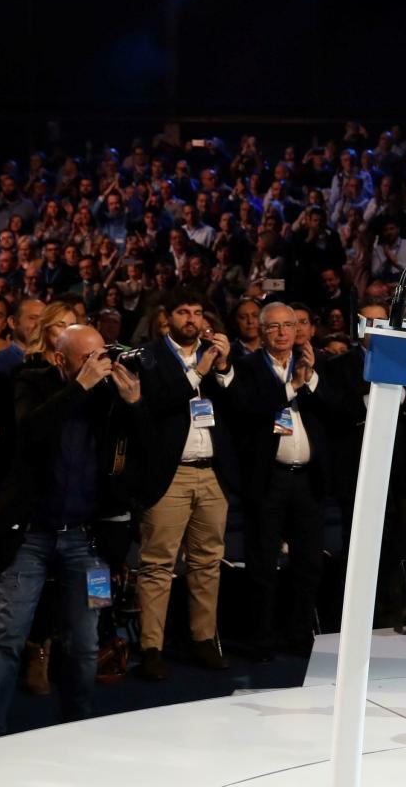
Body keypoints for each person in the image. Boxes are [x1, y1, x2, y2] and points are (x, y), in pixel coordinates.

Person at [0, 324, 140, 738]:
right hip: (27, 535)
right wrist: (78, 388)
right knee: (8, 638)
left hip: (87, 539)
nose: (99, 365)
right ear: (60, 359)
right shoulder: (33, 382)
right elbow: (31, 431)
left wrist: (133, 404)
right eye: (88, 358)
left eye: (102, 354)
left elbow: (136, 451)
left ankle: (75, 729)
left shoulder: (109, 392)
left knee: (83, 642)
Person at [130, 288, 238, 679]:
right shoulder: (150, 356)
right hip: (169, 473)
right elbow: (156, 404)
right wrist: (199, 371)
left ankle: (203, 640)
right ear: (168, 317)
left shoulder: (216, 355)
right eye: (183, 312)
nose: (191, 319)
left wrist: (223, 369)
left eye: (197, 312)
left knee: (208, 562)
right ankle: (152, 647)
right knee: (158, 564)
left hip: (212, 472)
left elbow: (239, 409)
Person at [234, 302, 339, 659]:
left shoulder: (316, 365)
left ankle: (299, 635)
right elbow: (247, 412)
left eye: (289, 326)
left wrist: (308, 380)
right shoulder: (247, 367)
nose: (282, 333)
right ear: (263, 333)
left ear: (300, 330)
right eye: (274, 327)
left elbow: (337, 412)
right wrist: (290, 388)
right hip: (269, 480)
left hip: (308, 480)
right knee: (263, 563)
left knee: (309, 563)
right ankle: (262, 638)